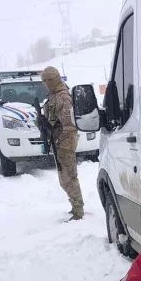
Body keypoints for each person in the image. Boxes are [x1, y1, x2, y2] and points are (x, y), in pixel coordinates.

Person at [39, 66, 84, 220]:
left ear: (57, 78)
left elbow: (69, 126)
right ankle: (75, 207)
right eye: (44, 80)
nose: (47, 83)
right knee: (64, 179)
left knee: (69, 178)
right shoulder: (53, 96)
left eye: (50, 79)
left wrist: (63, 145)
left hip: (65, 142)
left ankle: (78, 211)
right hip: (59, 141)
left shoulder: (62, 97)